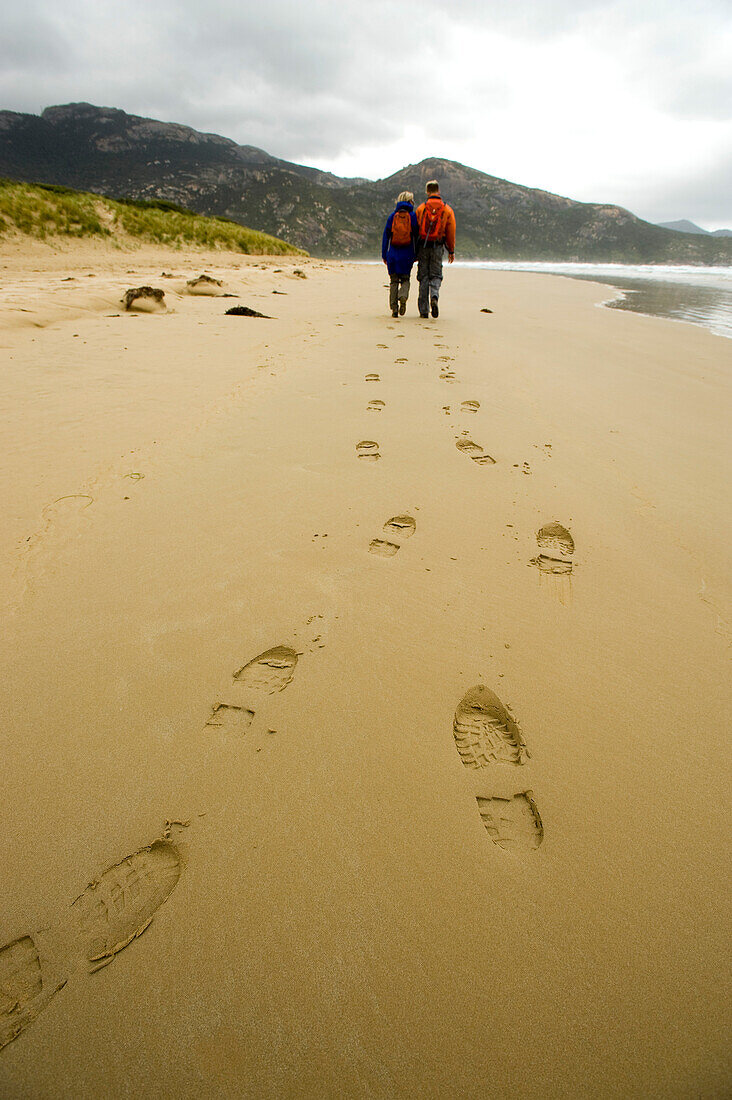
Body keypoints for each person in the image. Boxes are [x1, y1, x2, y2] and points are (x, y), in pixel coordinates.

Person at [415, 180, 456, 318]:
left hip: (423, 246)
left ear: (427, 192)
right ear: (438, 191)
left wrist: (414, 250)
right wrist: (451, 250)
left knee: (423, 277)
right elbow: (451, 231)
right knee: (436, 275)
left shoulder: (421, 208)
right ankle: (434, 296)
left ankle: (424, 311)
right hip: (438, 246)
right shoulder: (447, 209)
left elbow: (415, 230)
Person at [381, 191, 419, 317]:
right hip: (407, 254)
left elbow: (386, 236)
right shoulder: (412, 216)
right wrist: (416, 253)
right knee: (405, 279)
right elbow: (416, 236)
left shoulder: (393, 216)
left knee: (393, 281)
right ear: (409, 201)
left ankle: (394, 309)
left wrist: (384, 253)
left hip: (392, 253)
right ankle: (403, 296)